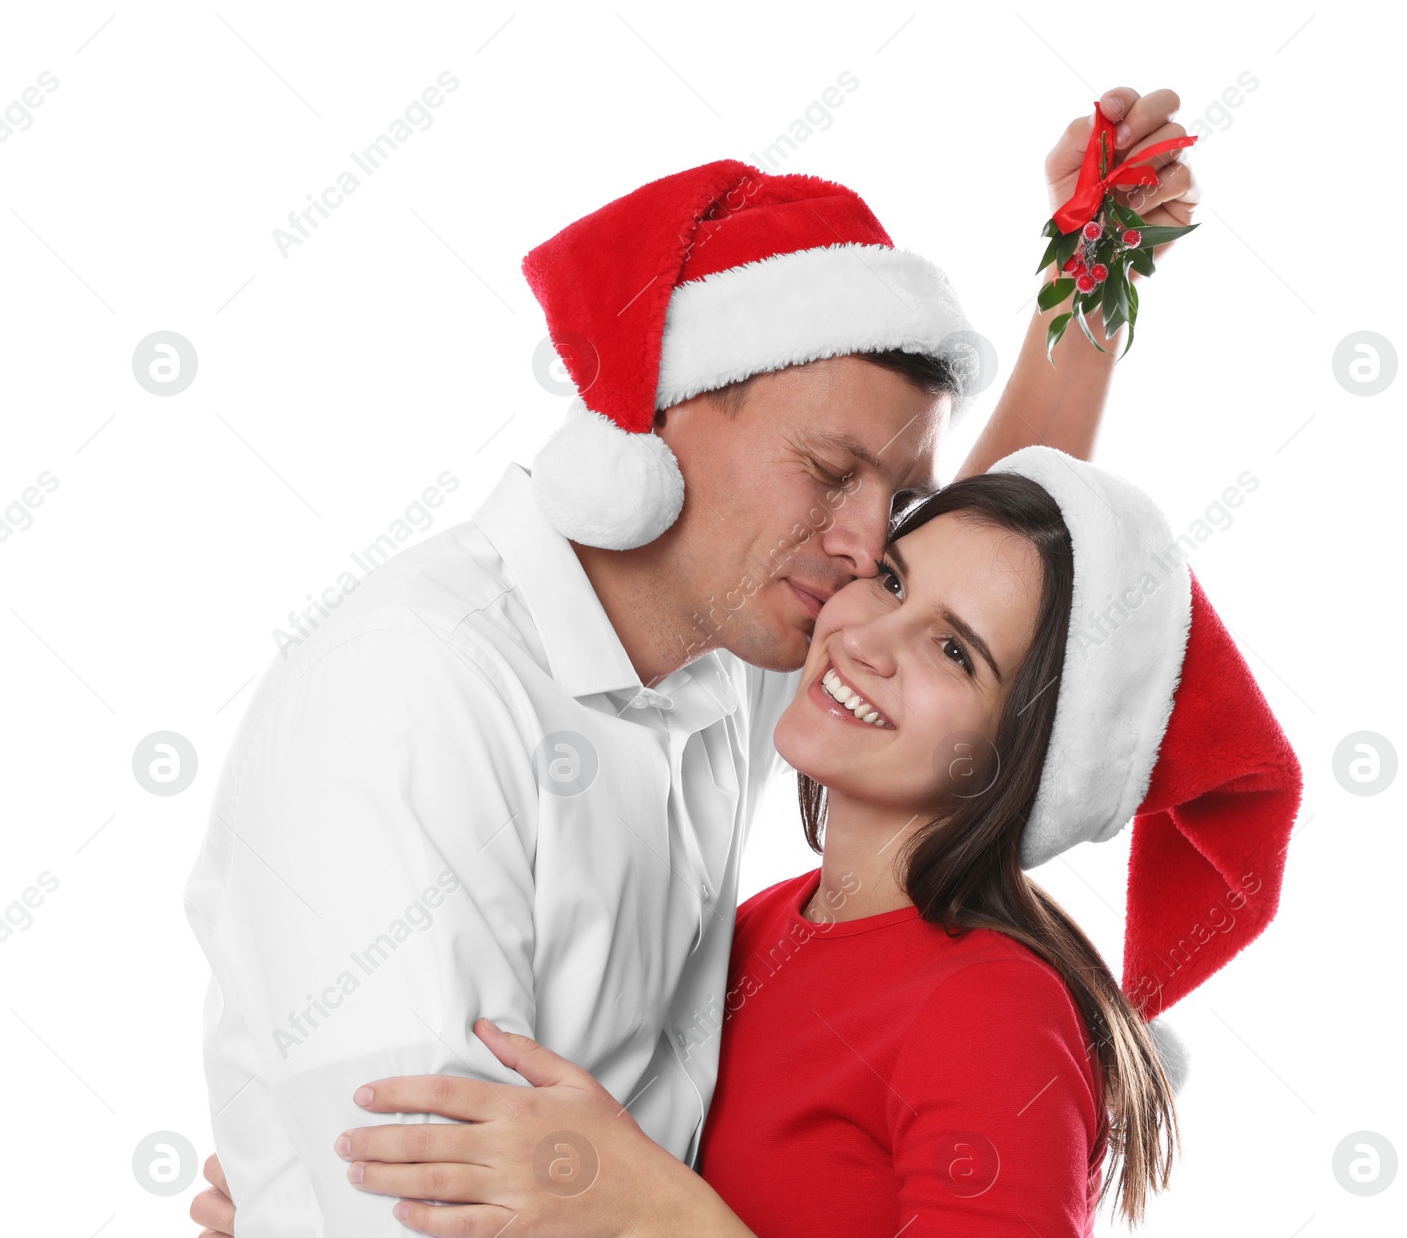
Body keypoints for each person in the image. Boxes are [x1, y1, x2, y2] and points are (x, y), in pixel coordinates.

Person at [186, 88, 1198, 1236]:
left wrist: (1091, 278)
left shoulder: (731, 649)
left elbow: (1019, 599)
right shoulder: (418, 693)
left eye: (896, 506)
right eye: (829, 472)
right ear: (662, 417)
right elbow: (408, 1207)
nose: (870, 555)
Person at [193, 446, 1303, 1236]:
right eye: (894, 580)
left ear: (1027, 758)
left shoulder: (994, 1008)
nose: (867, 637)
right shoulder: (760, 933)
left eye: (955, 654)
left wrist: (657, 1216)